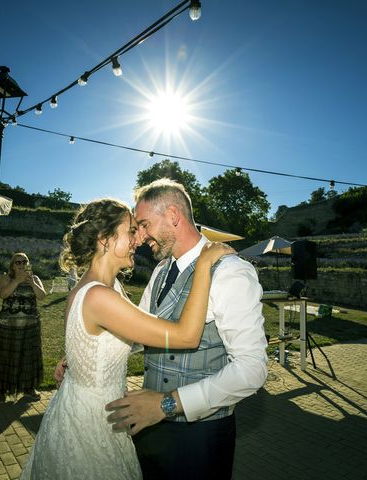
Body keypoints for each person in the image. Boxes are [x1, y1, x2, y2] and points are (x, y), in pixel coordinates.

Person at [21, 198, 233, 480]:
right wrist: (204, 265)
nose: (139, 239)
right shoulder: (99, 296)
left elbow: (106, 338)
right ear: (105, 238)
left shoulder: (105, 287)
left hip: (90, 406)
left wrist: (76, 359)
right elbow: (186, 336)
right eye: (131, 231)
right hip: (94, 421)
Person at [105, 179, 269, 480]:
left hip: (200, 439)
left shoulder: (231, 271)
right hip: (149, 428)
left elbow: (252, 370)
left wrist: (167, 404)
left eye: (143, 224)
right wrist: (89, 354)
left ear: (172, 216)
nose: (138, 237)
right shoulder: (160, 269)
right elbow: (139, 332)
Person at [0, 253, 46, 402]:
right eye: (18, 262)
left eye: (24, 261)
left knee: (28, 356)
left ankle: (29, 388)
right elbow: (3, 294)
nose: (21, 264)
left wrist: (32, 283)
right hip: (8, 326)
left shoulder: (35, 278)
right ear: (12, 265)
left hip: (30, 326)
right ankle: (1, 390)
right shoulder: (6, 278)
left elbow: (42, 296)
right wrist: (17, 281)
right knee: (5, 357)